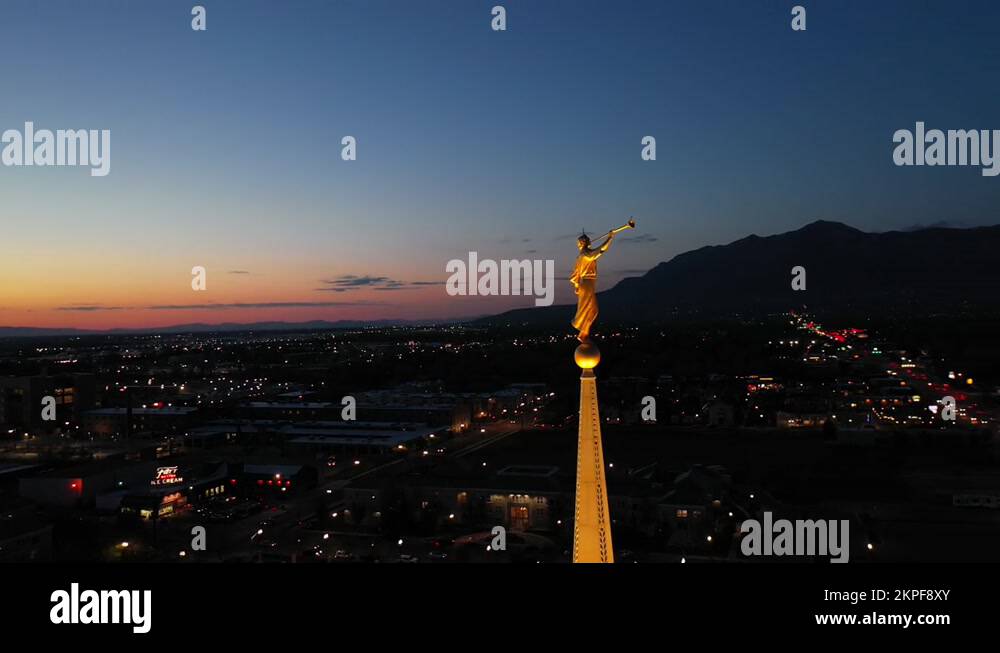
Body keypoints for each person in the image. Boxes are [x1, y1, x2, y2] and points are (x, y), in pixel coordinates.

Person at [570, 231, 614, 342]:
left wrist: (576, 286)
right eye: (588, 240)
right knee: (593, 310)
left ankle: (583, 333)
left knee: (591, 310)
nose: (590, 242)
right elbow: (600, 250)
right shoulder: (585, 254)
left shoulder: (581, 255)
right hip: (587, 283)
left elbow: (575, 274)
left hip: (586, 284)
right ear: (584, 242)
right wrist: (610, 238)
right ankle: (583, 333)